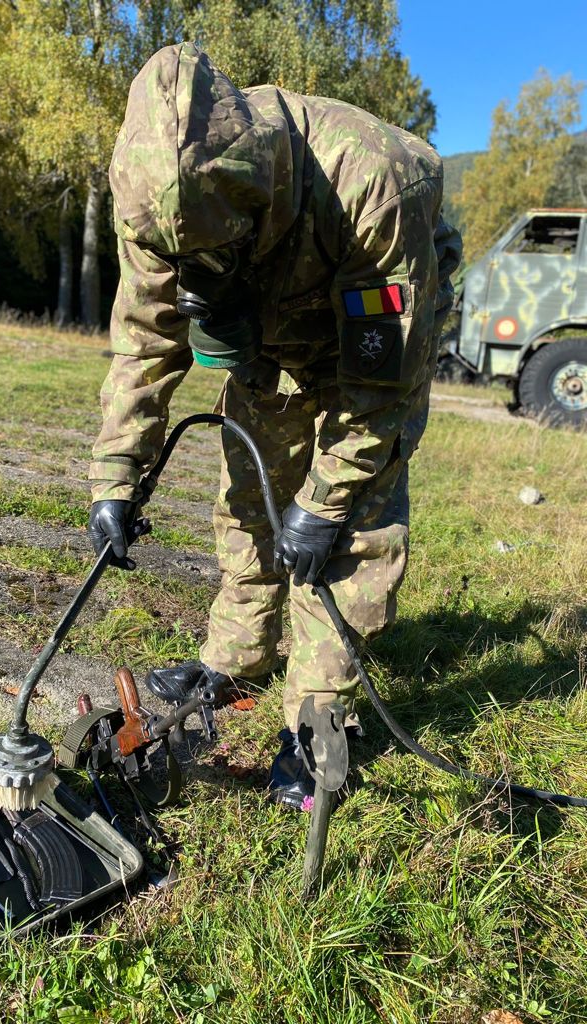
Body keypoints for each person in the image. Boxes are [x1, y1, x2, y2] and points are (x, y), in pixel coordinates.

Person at [87, 42, 462, 810]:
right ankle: (239, 657)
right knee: (249, 501)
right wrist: (117, 475)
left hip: (378, 328)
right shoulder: (153, 199)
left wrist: (325, 502)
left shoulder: (372, 183)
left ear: (257, 194)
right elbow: (145, 340)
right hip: (272, 337)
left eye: (216, 251)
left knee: (343, 536)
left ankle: (320, 722)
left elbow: (379, 386)